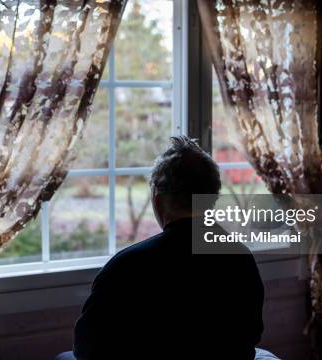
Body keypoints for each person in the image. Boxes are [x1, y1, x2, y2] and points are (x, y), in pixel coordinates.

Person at [58, 136, 265, 360]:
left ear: (157, 200)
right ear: (213, 199)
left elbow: (87, 348)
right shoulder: (240, 256)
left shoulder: (126, 266)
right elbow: (251, 335)